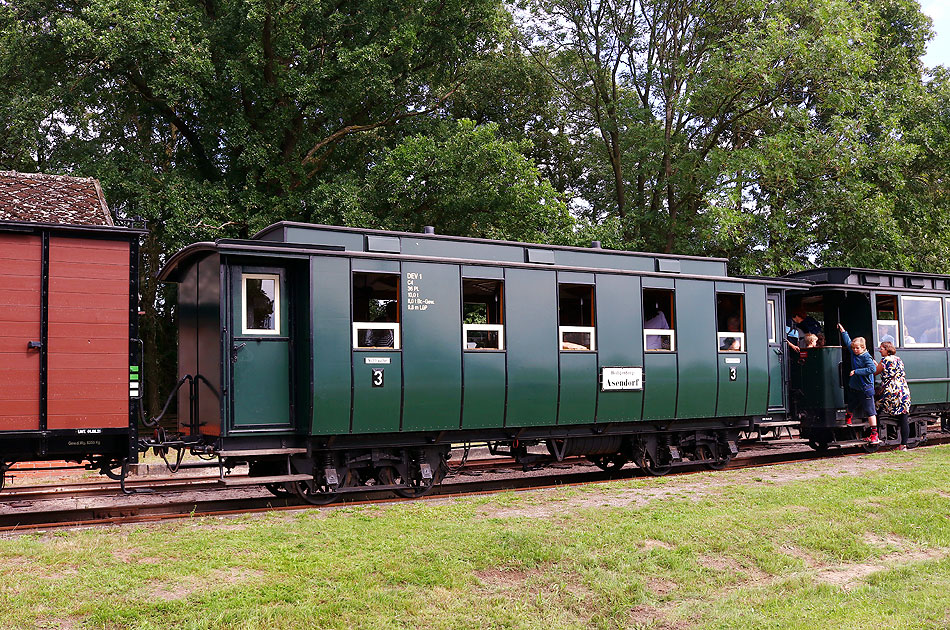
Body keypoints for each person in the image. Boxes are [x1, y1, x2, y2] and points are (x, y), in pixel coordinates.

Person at [837, 323, 880, 444]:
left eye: (857, 348)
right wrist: (843, 331)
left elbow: (872, 370)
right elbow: (848, 341)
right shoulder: (853, 351)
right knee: (852, 403)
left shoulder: (867, 357)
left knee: (870, 411)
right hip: (855, 387)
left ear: (863, 347)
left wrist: (856, 371)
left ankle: (874, 434)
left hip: (866, 388)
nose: (855, 350)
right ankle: (848, 416)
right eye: (854, 348)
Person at [875, 341, 912, 450]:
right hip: (903, 389)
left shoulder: (885, 360)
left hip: (892, 391)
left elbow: (875, 372)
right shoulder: (898, 359)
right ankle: (903, 445)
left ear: (887, 349)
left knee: (876, 408)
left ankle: (874, 435)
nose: (880, 350)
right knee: (904, 416)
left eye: (881, 348)